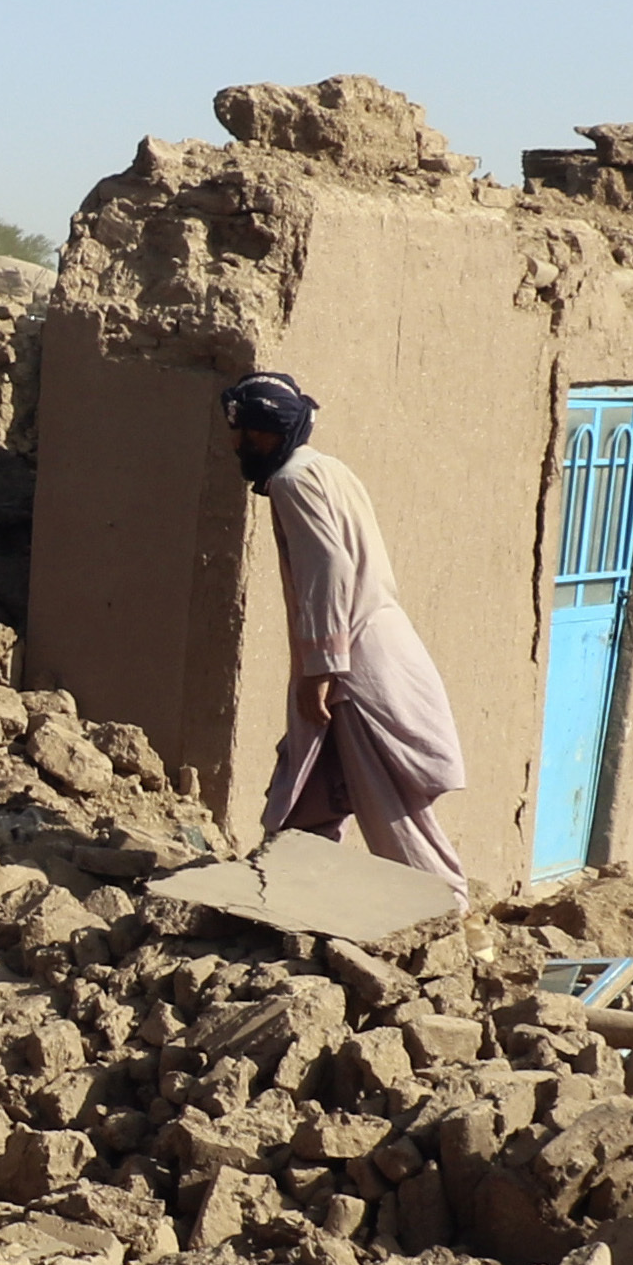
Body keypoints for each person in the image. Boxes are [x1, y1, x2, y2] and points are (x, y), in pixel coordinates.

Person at [223, 375, 469, 890]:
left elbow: (329, 568)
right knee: (306, 790)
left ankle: (446, 913)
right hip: (366, 645)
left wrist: (321, 669)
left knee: (390, 807)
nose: (239, 444)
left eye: (249, 432)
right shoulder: (326, 469)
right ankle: (289, 892)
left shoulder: (292, 482)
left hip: (355, 661)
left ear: (272, 432)